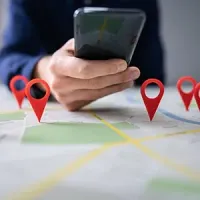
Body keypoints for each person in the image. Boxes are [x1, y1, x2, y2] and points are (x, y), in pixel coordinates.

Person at [0, 0, 164, 111]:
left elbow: (152, 78)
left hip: (127, 108)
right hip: (52, 105)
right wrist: (43, 72)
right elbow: (9, 58)